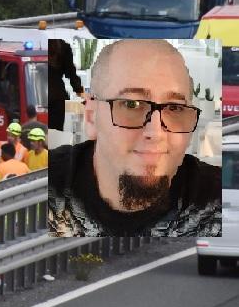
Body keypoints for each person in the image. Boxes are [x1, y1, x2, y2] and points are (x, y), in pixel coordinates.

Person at [48, 39, 221, 237]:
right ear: (91, 117)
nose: (156, 133)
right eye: (131, 104)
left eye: (174, 108)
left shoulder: (218, 200)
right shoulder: (47, 186)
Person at [48, 39, 85, 131]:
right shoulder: (64, 47)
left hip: (41, 94)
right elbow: (71, 72)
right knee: (56, 131)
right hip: (58, 96)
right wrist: (80, 91)